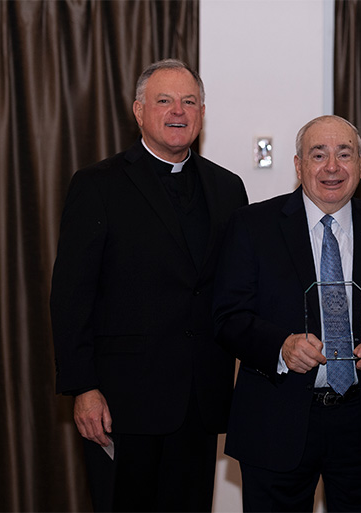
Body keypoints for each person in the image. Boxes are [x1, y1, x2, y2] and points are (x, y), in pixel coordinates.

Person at [50, 58, 248, 512]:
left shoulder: (228, 188)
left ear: (201, 112)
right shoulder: (97, 184)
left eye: (189, 101)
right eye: (164, 101)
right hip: (122, 402)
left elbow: (234, 291)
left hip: (199, 402)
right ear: (139, 111)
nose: (178, 111)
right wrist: (83, 387)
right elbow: (70, 295)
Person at [213, 115, 361, 512]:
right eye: (318, 154)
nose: (332, 167)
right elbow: (228, 317)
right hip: (276, 419)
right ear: (299, 166)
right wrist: (279, 346)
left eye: (344, 154)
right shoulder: (252, 226)